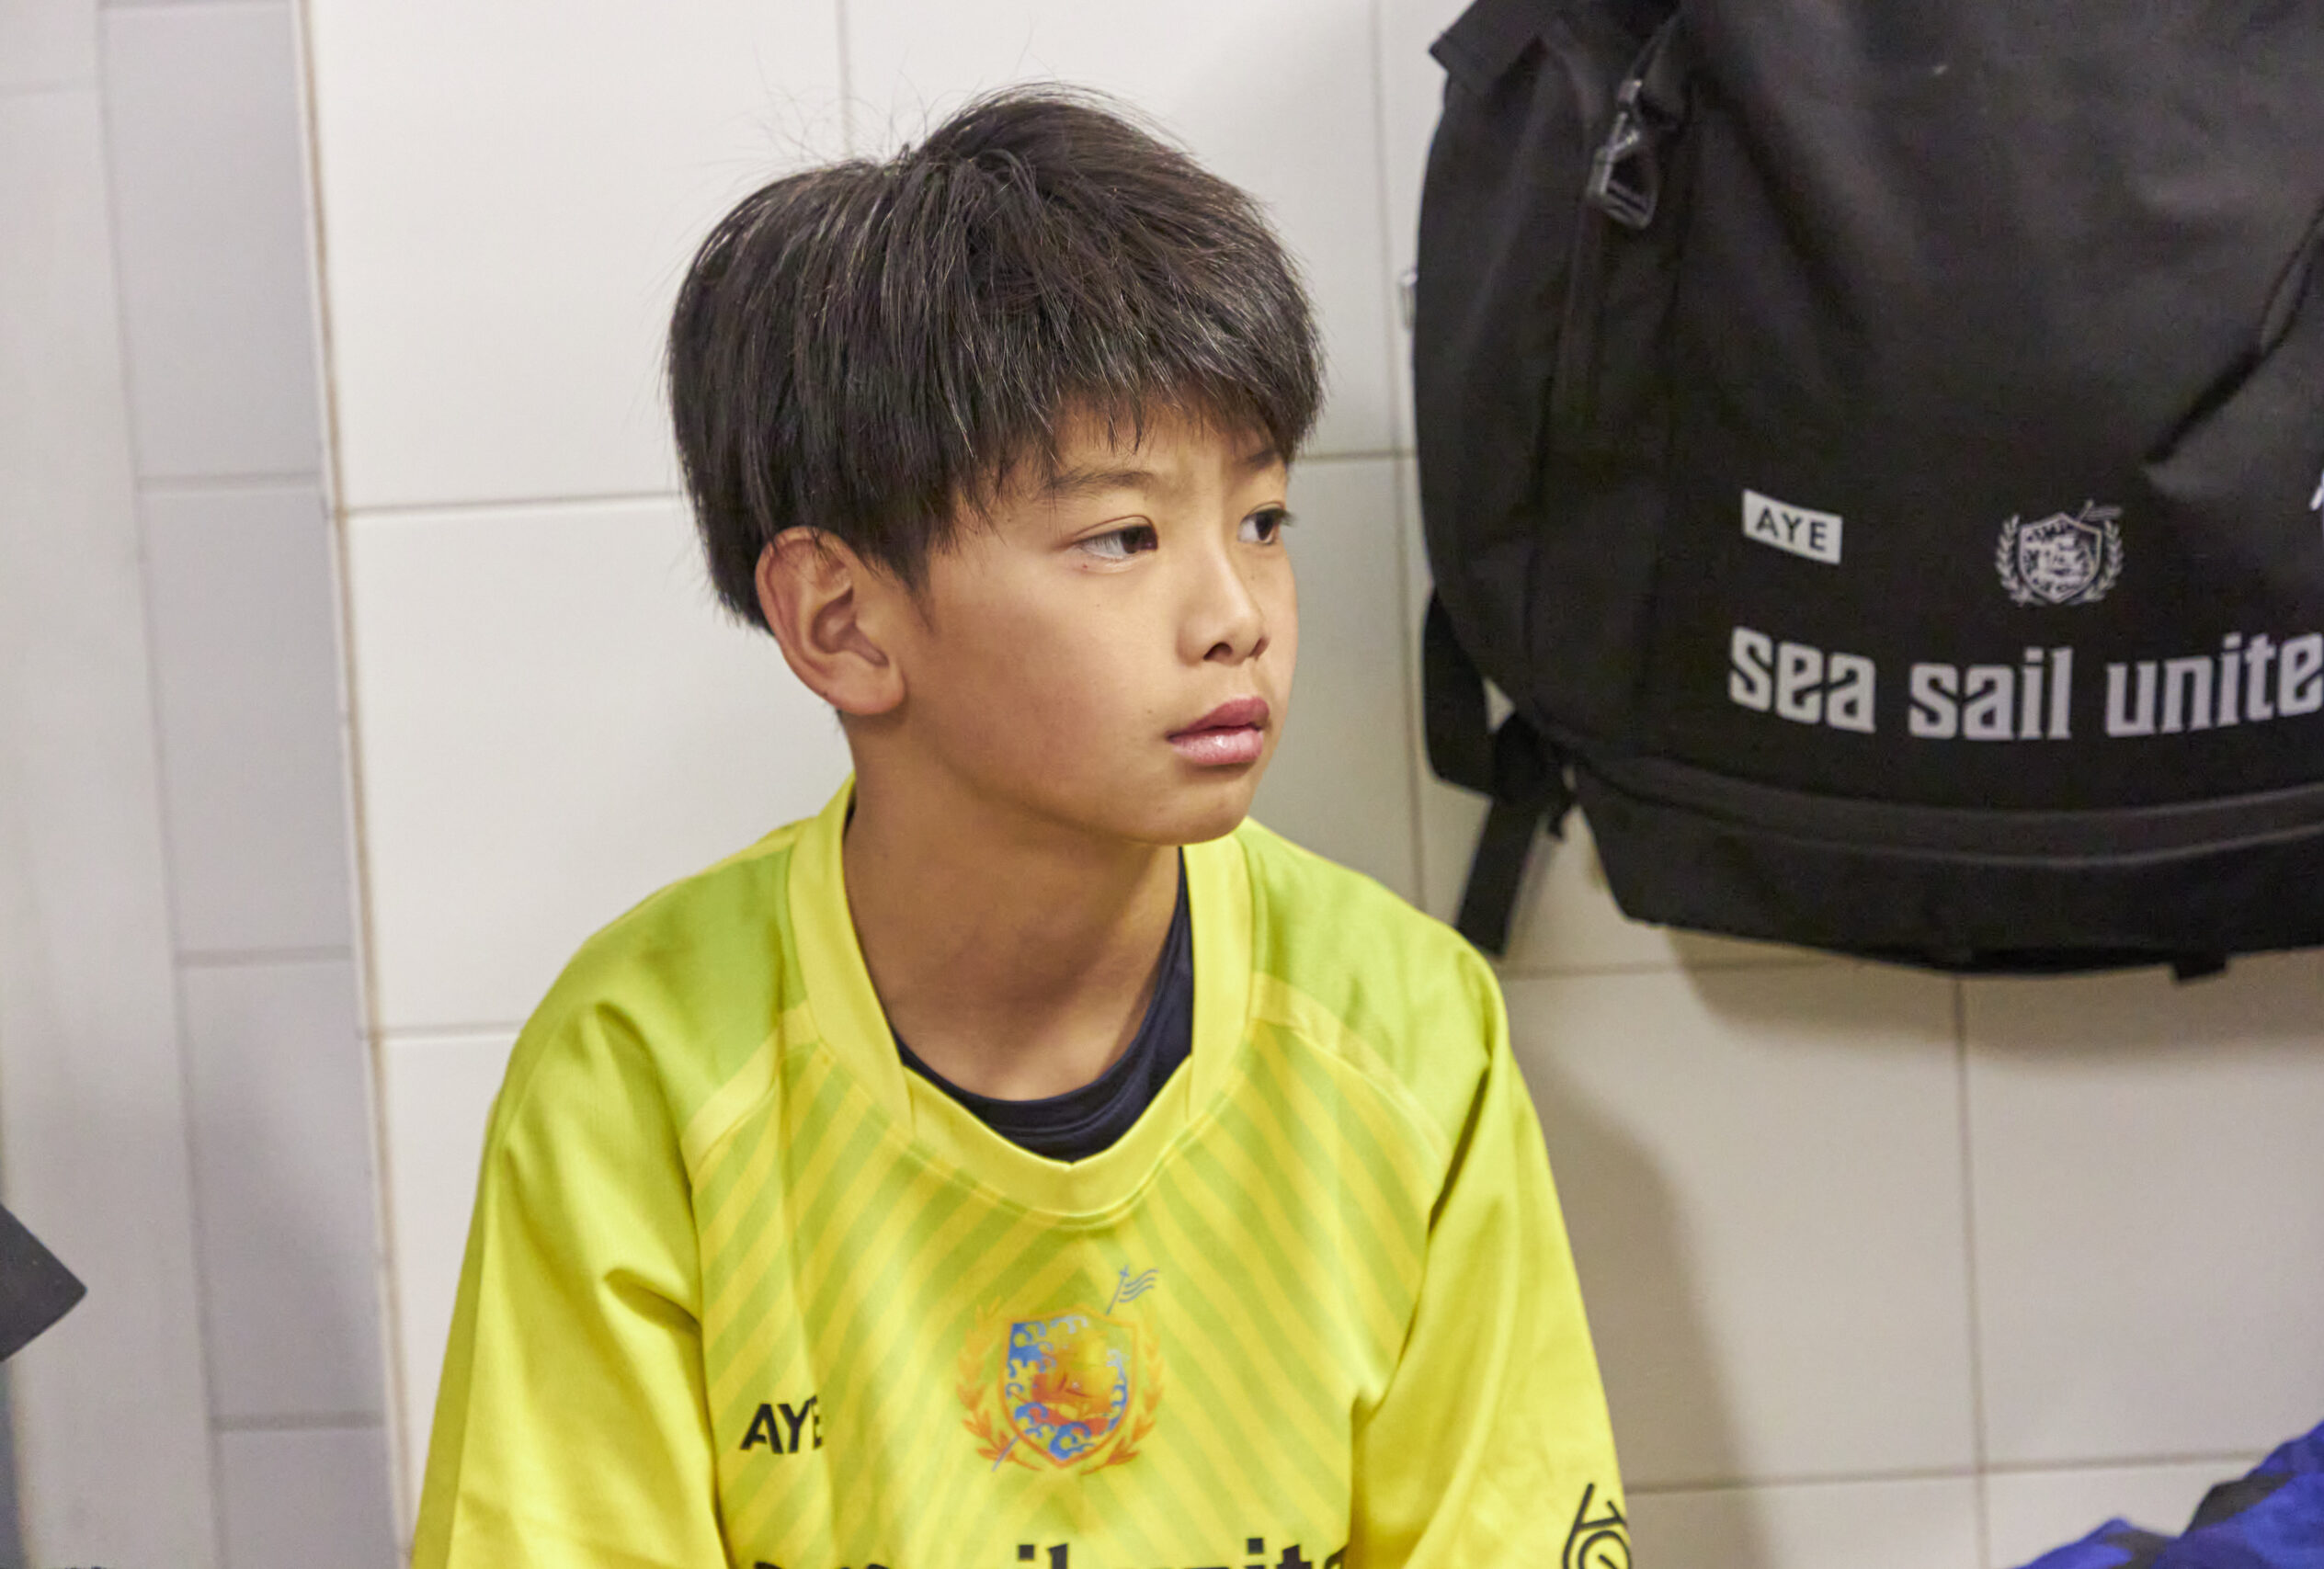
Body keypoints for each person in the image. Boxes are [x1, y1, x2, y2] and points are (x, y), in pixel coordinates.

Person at [412, 87, 1623, 1569]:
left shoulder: (1407, 1031)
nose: (1236, 616)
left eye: (1261, 520)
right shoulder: (639, 1075)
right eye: (1122, 536)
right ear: (842, 621)